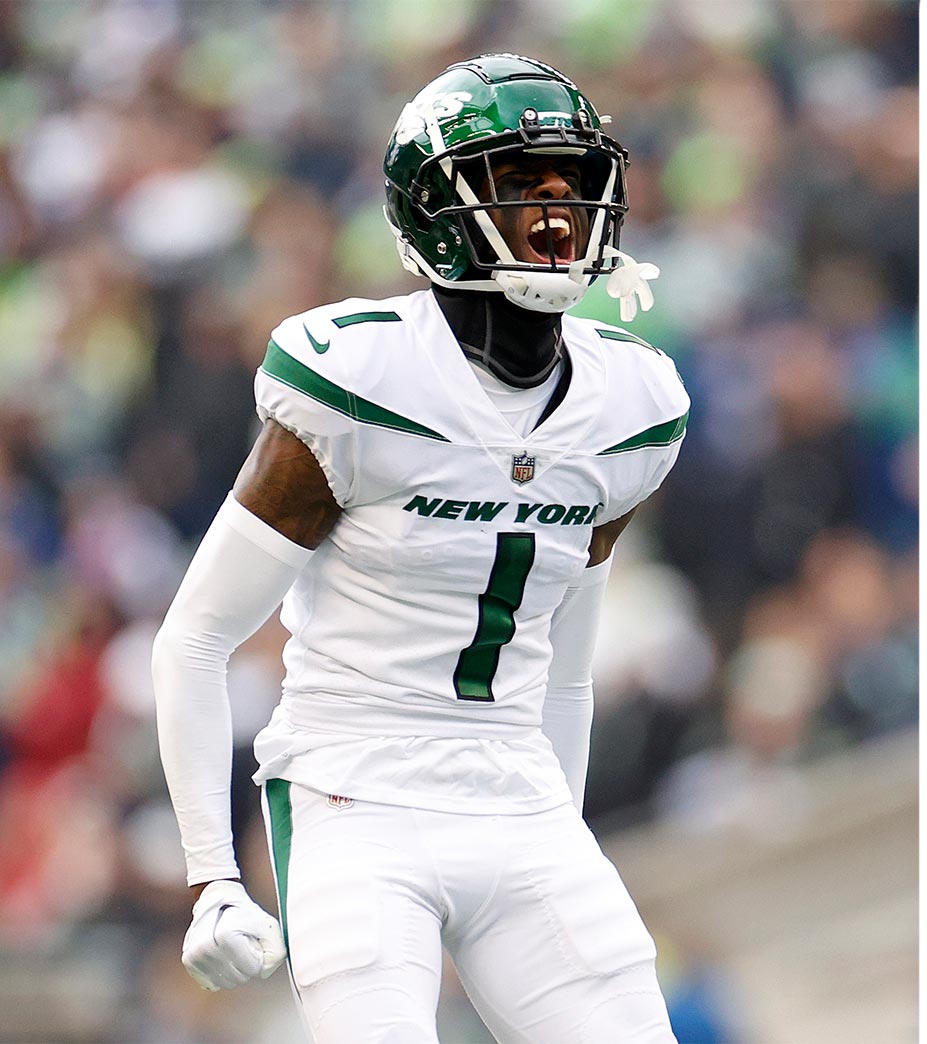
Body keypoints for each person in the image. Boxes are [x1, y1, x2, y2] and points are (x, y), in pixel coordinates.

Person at [151, 54, 685, 1042]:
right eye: (521, 186)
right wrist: (213, 880)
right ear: (435, 210)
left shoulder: (636, 406)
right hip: (355, 794)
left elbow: (563, 674)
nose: (556, 212)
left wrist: (556, 834)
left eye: (573, 183)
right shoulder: (358, 379)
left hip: (516, 796)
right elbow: (193, 639)